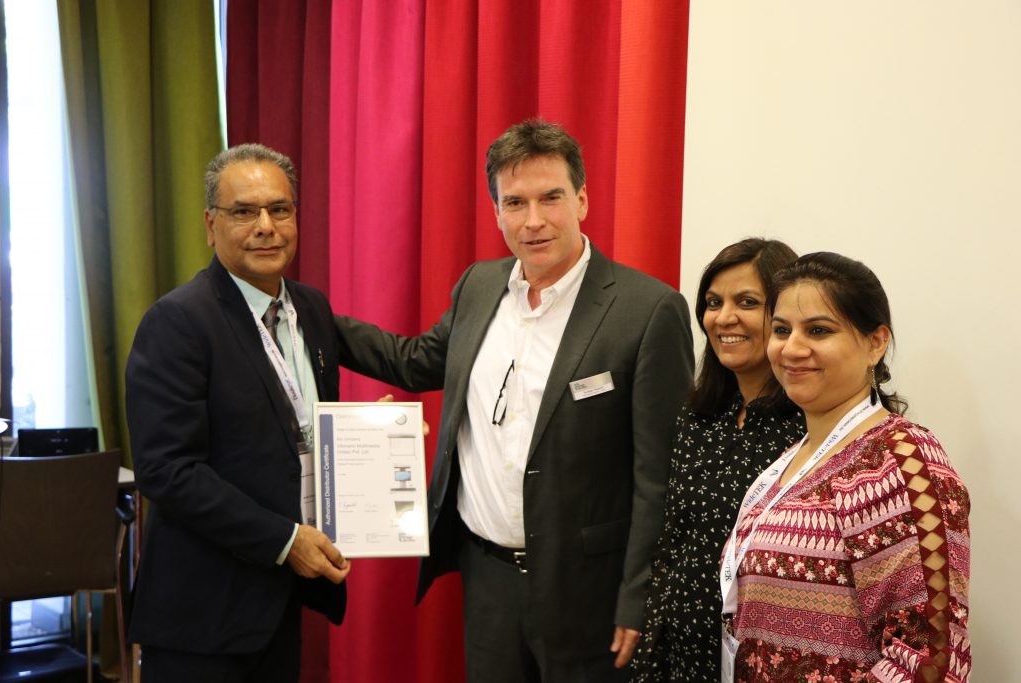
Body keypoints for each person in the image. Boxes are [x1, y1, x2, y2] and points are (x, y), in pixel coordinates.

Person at [334, 119, 694, 682]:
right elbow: (414, 361)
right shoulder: (479, 287)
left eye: (551, 197)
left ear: (581, 200)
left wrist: (640, 594)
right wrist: (310, 315)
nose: (533, 220)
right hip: (488, 578)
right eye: (515, 202)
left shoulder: (647, 310)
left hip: (590, 591)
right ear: (496, 212)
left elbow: (660, 476)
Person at [125, 143, 351, 683]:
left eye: (280, 209)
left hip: (279, 606)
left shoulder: (310, 309)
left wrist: (364, 435)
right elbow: (168, 470)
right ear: (211, 225)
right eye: (244, 211)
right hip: (201, 617)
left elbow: (297, 430)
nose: (266, 227)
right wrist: (284, 541)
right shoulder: (179, 322)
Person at [720, 252, 971, 682]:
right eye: (781, 330)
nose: (792, 348)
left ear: (875, 342)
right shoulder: (793, 459)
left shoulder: (902, 461)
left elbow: (931, 661)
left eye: (818, 330)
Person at [630, 238, 803, 682]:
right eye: (713, 303)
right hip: (682, 654)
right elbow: (671, 545)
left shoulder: (810, 428)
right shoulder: (698, 416)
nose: (724, 317)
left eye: (747, 302)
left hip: (764, 662)